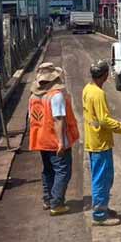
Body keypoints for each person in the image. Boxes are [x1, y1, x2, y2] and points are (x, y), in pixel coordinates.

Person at [82, 60, 121, 226]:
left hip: (94, 139)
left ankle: (103, 208)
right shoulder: (98, 94)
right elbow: (104, 120)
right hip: (100, 142)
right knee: (102, 179)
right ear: (106, 75)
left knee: (103, 177)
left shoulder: (88, 89)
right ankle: (100, 214)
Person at [27, 63, 79, 215]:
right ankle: (56, 204)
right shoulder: (55, 96)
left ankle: (48, 199)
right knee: (63, 171)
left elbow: (32, 118)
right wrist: (61, 142)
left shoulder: (33, 97)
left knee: (48, 171)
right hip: (54, 140)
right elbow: (58, 120)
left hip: (40, 139)